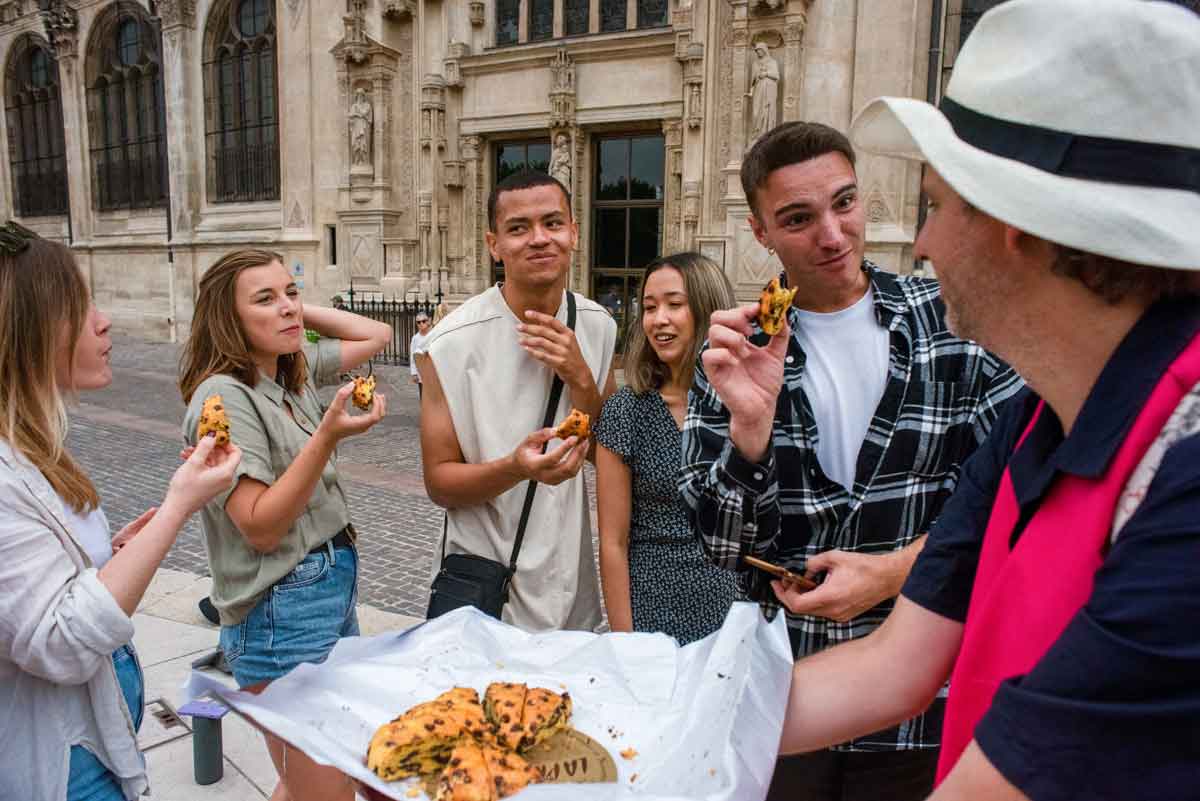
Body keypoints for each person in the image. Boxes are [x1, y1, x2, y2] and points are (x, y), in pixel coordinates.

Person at [764, 1, 1200, 798]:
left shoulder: (1188, 476)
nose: (920, 243)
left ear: (1017, 227)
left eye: (934, 203)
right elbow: (892, 668)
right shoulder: (1038, 415)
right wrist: (645, 720)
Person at [678, 120, 1023, 799]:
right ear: (760, 231)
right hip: (789, 692)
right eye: (799, 218)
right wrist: (750, 431)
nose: (833, 235)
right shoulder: (738, 349)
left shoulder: (952, 324)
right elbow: (723, 545)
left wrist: (894, 572)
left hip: (921, 703)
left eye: (845, 202)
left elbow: (1018, 506)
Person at [0, 222, 241, 801]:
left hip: (93, 738)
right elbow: (60, 641)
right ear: (28, 332)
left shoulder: (32, 444)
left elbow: (42, 588)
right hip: (62, 766)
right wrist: (176, 508)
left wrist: (113, 556)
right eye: (81, 309)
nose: (104, 321)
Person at [178, 248, 391, 801]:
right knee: (329, 789)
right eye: (264, 300)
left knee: (316, 779)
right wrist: (328, 436)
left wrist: (294, 312)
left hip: (326, 593)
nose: (288, 309)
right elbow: (260, 527)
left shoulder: (288, 370)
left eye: (290, 292)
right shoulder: (223, 395)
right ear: (228, 319)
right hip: (280, 609)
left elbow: (376, 334)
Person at [418, 169, 617, 632]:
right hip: (485, 586)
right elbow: (440, 483)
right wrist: (518, 467)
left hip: (569, 584)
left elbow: (608, 451)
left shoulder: (598, 324)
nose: (539, 239)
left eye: (552, 223)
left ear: (573, 232)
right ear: (494, 245)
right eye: (518, 228)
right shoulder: (449, 344)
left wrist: (580, 377)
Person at [594, 253, 741, 645]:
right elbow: (612, 542)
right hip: (651, 615)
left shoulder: (745, 404)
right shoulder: (627, 410)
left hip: (735, 614)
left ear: (708, 309)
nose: (659, 319)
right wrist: (626, 645)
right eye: (649, 307)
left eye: (675, 305)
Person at [410, 311, 432, 398]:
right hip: (421, 373)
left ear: (428, 322)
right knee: (423, 396)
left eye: (423, 321)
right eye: (418, 322)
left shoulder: (433, 334)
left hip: (432, 372)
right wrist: (414, 373)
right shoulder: (415, 338)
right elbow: (413, 356)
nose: (421, 324)